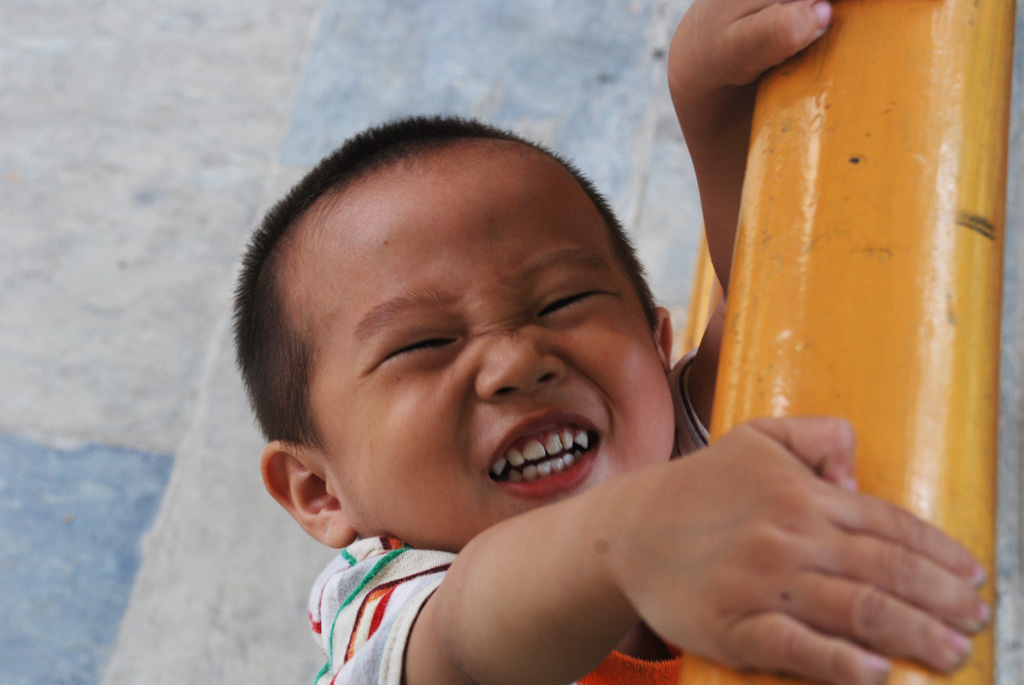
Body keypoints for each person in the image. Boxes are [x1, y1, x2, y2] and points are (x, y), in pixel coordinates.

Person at [232, 1, 990, 683]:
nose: (519, 360)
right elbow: (468, 635)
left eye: (564, 300)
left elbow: (769, 301)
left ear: (659, 347)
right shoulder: (383, 608)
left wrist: (708, 102)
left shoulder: (668, 456)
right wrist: (624, 541)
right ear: (319, 490)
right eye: (423, 343)